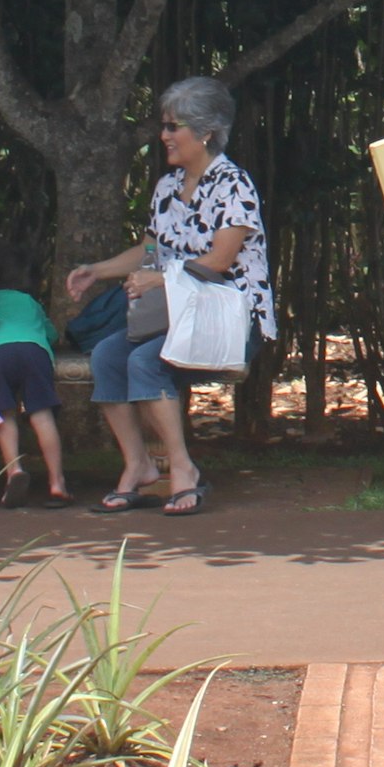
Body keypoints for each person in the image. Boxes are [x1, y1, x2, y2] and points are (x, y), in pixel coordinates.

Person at [62, 73, 268, 518]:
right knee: (107, 356)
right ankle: (138, 466)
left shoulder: (234, 184)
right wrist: (96, 271)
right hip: (175, 318)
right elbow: (151, 250)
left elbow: (219, 260)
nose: (164, 136)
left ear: (205, 132)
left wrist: (160, 279)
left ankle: (182, 469)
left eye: (173, 127)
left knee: (144, 360)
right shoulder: (167, 187)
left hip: (229, 320)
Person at [0, 240, 71, 507]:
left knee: (5, 414)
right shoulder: (30, 302)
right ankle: (56, 481)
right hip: (34, 352)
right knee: (41, 414)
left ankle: (13, 471)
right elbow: (51, 334)